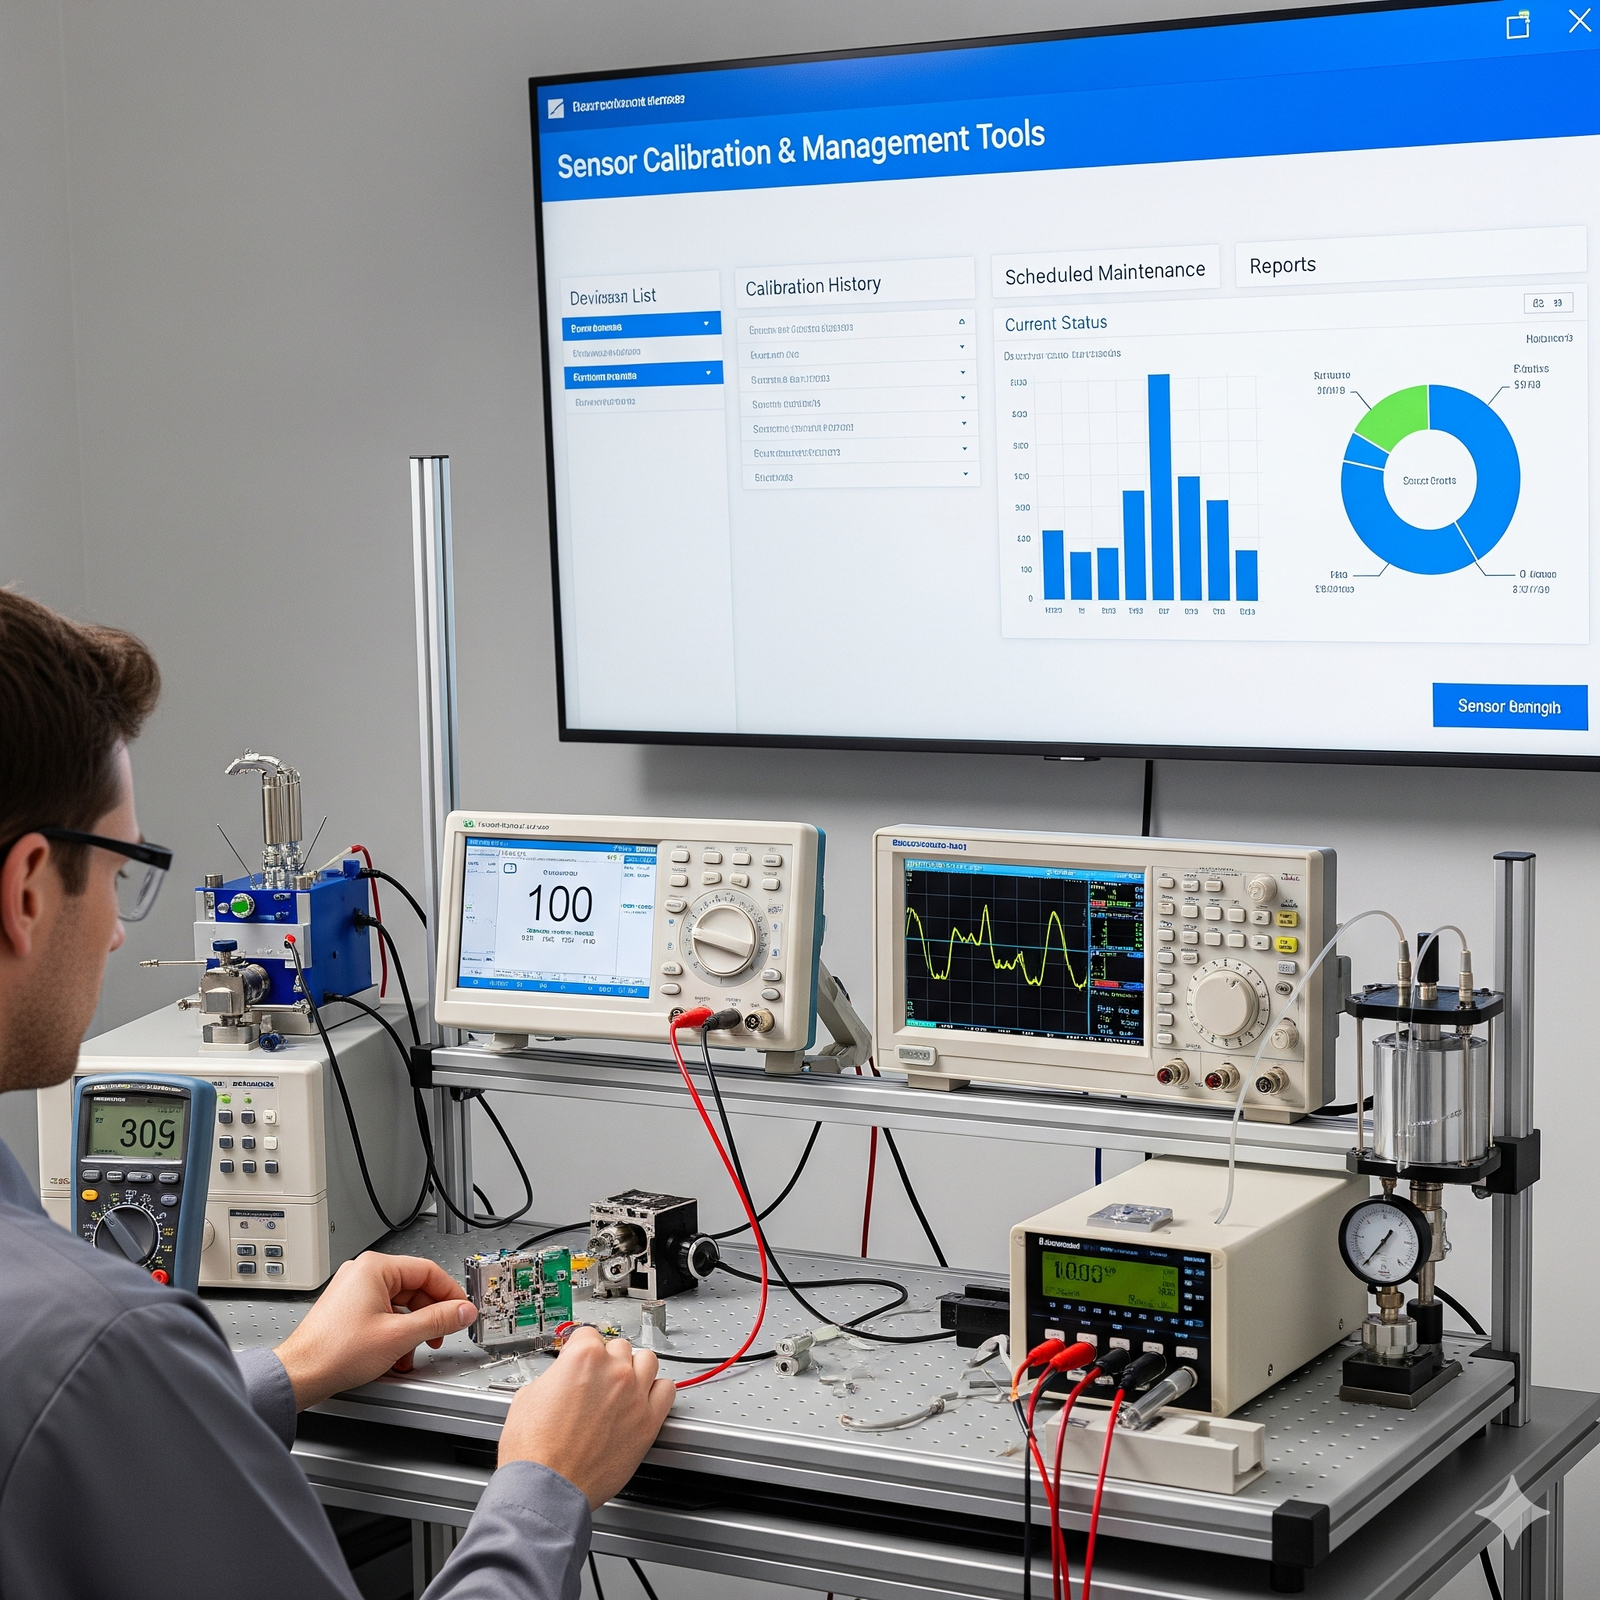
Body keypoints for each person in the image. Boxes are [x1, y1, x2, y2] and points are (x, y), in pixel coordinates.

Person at [0, 588, 675, 1598]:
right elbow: (82, 1385)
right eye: (124, 869)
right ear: (26, 888)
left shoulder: (83, 1352)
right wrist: (547, 1481)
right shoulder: (98, 1339)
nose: (114, 930)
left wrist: (281, 1370)